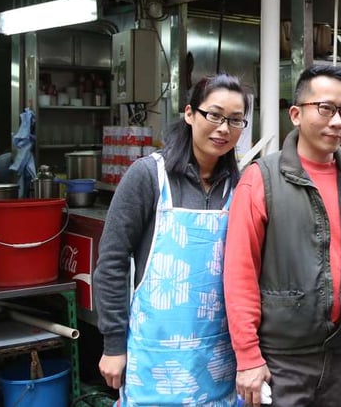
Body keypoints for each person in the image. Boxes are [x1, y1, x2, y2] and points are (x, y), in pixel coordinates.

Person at [224, 64, 341, 407]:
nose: (337, 121)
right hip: (282, 358)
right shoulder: (261, 180)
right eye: (325, 108)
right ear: (296, 114)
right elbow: (240, 274)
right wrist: (248, 356)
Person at [94, 73, 249, 406]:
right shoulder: (149, 176)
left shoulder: (242, 188)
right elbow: (111, 262)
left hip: (220, 356)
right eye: (215, 115)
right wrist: (113, 344)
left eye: (235, 120)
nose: (223, 128)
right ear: (190, 114)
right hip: (154, 354)